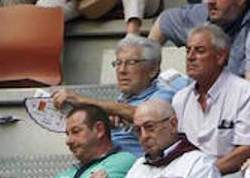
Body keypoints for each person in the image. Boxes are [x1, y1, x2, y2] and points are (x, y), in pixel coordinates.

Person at [49, 38, 177, 157]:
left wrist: (83, 101)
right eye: (118, 63)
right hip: (105, 161)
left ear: (153, 69)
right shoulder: (122, 99)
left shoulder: (165, 93)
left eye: (131, 63)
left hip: (138, 166)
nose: (122, 70)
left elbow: (144, 115)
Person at [171, 24, 250, 177]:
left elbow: (247, 149)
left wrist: (204, 174)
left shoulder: (246, 93)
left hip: (232, 174)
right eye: (188, 50)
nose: (190, 57)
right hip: (187, 177)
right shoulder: (180, 99)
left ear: (221, 57)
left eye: (199, 51)